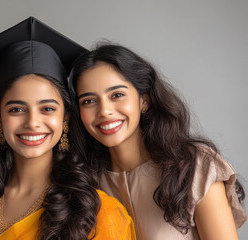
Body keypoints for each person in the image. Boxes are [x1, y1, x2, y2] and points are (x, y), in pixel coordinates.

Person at [0, 17, 136, 240]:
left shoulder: (98, 214)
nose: (32, 122)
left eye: (47, 108)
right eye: (16, 109)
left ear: (66, 119)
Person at [68, 43, 247, 239]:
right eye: (89, 101)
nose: (104, 111)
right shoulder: (84, 184)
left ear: (144, 100)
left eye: (117, 95)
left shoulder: (194, 167)